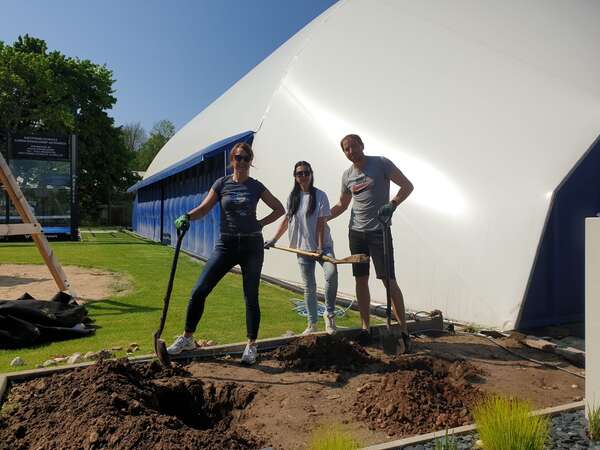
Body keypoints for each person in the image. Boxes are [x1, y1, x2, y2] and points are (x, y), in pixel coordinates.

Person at [167, 142, 285, 364]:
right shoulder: (221, 184)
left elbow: (280, 209)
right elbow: (204, 208)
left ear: (251, 162)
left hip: (251, 246)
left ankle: (251, 345)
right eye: (238, 157)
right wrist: (187, 216)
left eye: (246, 158)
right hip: (226, 245)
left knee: (251, 296)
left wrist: (260, 223)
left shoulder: (256, 186)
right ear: (232, 160)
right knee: (199, 290)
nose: (242, 162)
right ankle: (188, 338)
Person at [328, 134, 414, 352]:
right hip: (356, 233)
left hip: (379, 232)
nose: (351, 151)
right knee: (361, 279)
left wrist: (393, 204)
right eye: (346, 149)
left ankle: (404, 332)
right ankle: (365, 328)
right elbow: (342, 204)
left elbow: (407, 186)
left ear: (362, 145)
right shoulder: (347, 175)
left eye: (353, 146)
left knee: (388, 280)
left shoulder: (381, 163)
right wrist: (323, 217)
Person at [265, 161, 338, 335]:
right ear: (295, 177)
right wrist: (274, 239)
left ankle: (329, 314)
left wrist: (320, 247)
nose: (303, 176)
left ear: (311, 174)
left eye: (306, 173)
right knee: (309, 287)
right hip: (303, 249)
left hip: (323, 247)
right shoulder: (293, 197)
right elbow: (287, 220)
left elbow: (321, 223)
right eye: (299, 173)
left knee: (331, 274)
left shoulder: (320, 195)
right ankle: (312, 324)